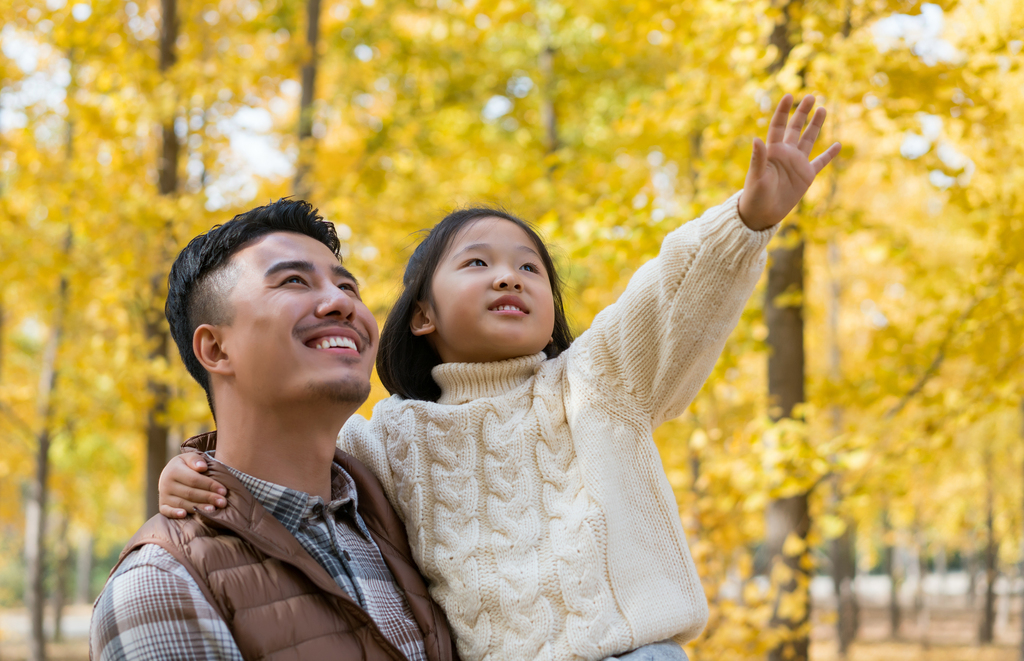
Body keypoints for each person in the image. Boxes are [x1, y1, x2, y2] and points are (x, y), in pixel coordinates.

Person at [160, 94, 841, 660]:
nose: (509, 274)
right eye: (477, 263)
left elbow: (670, 298)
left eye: (530, 267)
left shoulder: (598, 382)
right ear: (421, 314)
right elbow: (292, 467)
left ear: (551, 312)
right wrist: (194, 466)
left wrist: (746, 220)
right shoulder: (393, 437)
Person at [90, 201, 460, 660]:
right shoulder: (162, 584)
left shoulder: (407, 506)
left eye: (348, 287)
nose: (343, 302)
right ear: (216, 348)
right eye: (293, 281)